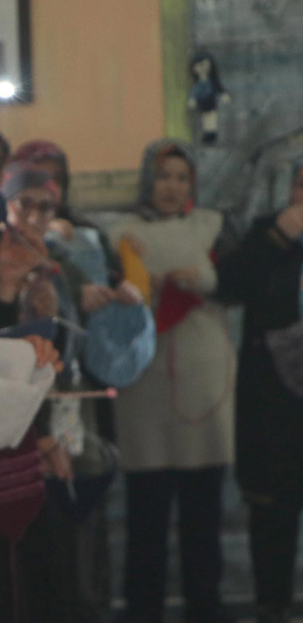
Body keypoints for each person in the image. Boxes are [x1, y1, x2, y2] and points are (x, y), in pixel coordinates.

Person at [111, 139, 235, 623]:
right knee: (147, 519)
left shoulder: (215, 229)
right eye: (164, 176)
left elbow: (237, 283)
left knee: (204, 520)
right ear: (148, 179)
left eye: (182, 178)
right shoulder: (121, 234)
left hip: (205, 381)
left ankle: (207, 609)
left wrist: (201, 281)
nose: (171, 187)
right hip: (146, 386)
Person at [216, 160, 303, 623]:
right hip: (273, 408)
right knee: (273, 515)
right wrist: (280, 235)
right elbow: (227, 285)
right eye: (301, 183)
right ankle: (272, 605)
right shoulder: (267, 233)